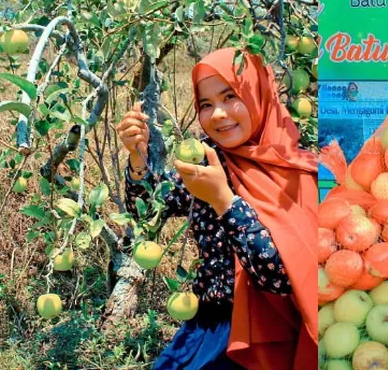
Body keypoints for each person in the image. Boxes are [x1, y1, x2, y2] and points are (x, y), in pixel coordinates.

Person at [116, 48, 318, 369]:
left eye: (230, 96)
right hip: (206, 325)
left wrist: (225, 201)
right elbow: (152, 206)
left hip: (263, 335)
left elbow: (283, 277)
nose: (218, 113)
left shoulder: (297, 172)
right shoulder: (210, 158)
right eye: (206, 104)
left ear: (258, 95)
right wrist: (138, 157)